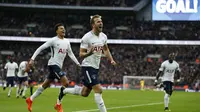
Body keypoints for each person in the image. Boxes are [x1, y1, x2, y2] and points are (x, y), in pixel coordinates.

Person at [59, 15, 117, 112]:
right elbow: (81, 54)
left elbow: (106, 49)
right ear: (93, 25)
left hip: (95, 67)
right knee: (99, 90)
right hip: (87, 67)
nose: (101, 23)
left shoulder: (103, 36)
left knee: (84, 93)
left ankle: (64, 91)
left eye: (101, 21)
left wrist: (111, 60)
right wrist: (90, 52)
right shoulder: (87, 37)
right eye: (98, 22)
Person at [25, 23, 80, 112]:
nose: (63, 30)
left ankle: (30, 99)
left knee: (45, 85)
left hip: (58, 66)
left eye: (64, 28)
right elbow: (40, 48)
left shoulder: (67, 41)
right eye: (61, 28)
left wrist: (78, 63)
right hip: (53, 64)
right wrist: (32, 59)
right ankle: (58, 104)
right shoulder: (53, 40)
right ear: (57, 31)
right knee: (65, 83)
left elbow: (70, 53)